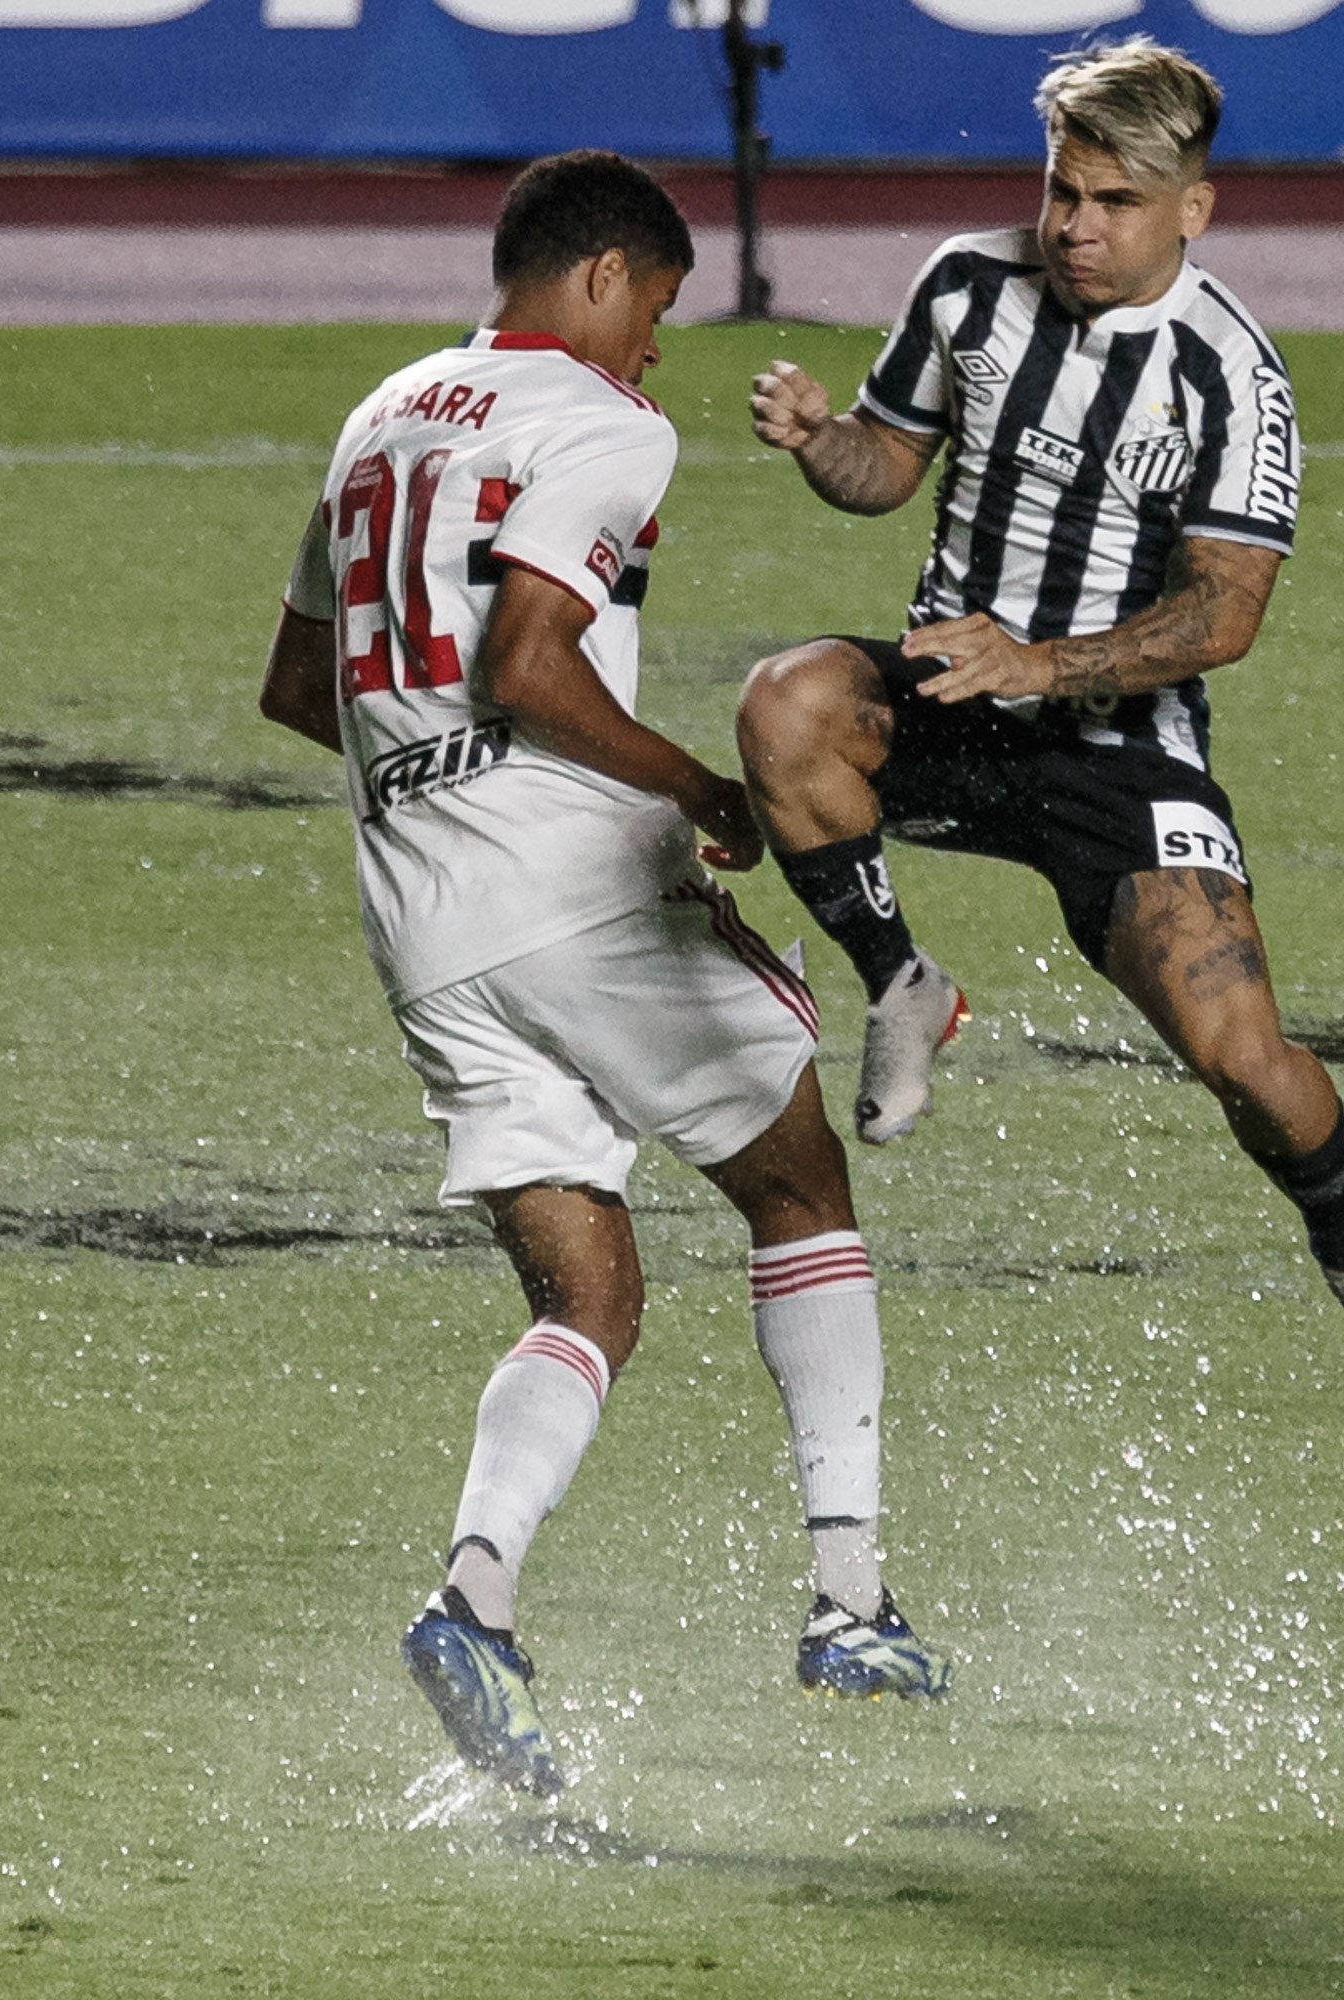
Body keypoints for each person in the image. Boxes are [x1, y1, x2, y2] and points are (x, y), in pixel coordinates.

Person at [259, 152, 949, 1798]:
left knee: (592, 1299)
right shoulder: (601, 423)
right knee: (800, 1181)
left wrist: (430, 765)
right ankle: (850, 1597)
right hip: (569, 886)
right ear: (595, 277)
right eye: (655, 306)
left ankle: (474, 1601)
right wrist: (693, 789)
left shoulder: (379, 418)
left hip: (419, 918)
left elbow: (301, 687)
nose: (656, 351)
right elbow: (529, 662)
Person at [731, 40, 1344, 1409]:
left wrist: (1043, 662)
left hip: (1120, 750)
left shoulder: (1231, 378)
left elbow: (1222, 615)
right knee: (785, 704)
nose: (1074, 226)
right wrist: (820, 438)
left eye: (1114, 201)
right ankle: (900, 982)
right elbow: (887, 468)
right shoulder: (966, 284)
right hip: (951, 691)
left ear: (1195, 206)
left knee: (1246, 1062)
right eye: (1062, 190)